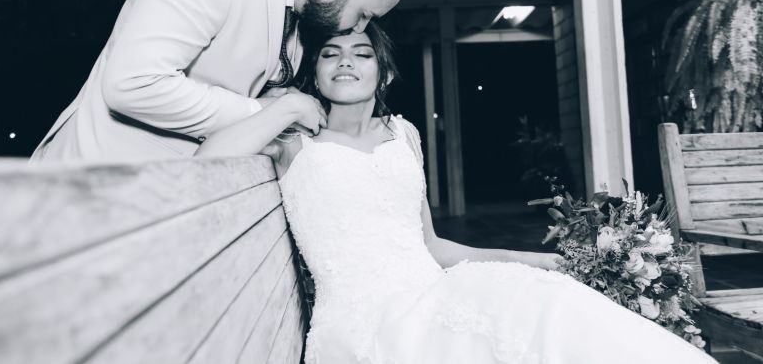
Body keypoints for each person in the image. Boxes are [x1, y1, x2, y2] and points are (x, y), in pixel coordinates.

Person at [198, 23, 716, 364]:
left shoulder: (404, 136)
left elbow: (432, 246)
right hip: (361, 319)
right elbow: (206, 160)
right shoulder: (295, 141)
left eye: (361, 53)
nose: (345, 62)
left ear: (384, 71)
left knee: (550, 304)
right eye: (330, 55)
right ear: (315, 72)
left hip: (433, 291)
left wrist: (532, 260)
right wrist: (286, 108)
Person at [31, 0, 418, 161]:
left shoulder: (299, 16)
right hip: (92, 186)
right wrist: (264, 112)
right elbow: (134, 83)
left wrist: (270, 102)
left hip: (166, 200)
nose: (359, 29)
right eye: (364, 14)